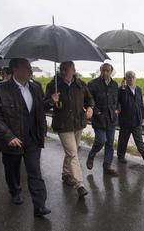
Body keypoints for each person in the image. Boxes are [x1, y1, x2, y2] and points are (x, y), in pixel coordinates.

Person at [0, 58, 50, 217]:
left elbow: (40, 111)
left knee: (35, 171)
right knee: (12, 170)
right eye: (27, 67)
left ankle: (39, 205)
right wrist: (8, 136)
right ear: (15, 69)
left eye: (30, 67)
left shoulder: (36, 87)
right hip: (12, 140)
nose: (30, 70)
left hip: (33, 139)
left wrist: (42, 131)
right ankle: (15, 190)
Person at [44, 61, 94, 198]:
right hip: (63, 125)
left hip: (78, 123)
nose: (66, 72)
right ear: (61, 70)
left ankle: (66, 174)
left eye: (69, 69)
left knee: (72, 151)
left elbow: (90, 100)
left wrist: (90, 108)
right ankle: (80, 184)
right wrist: (51, 101)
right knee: (72, 153)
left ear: (73, 70)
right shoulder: (53, 85)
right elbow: (43, 105)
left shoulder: (81, 84)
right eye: (63, 69)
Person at [86, 62, 119, 176]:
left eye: (107, 71)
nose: (105, 73)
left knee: (109, 144)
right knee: (101, 140)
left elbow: (118, 101)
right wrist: (97, 113)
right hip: (99, 118)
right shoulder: (93, 84)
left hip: (112, 119)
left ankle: (107, 166)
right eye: (103, 70)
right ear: (100, 71)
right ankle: (92, 154)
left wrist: (118, 109)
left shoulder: (115, 85)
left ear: (111, 72)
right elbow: (89, 101)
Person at [117, 71, 144, 166]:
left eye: (133, 77)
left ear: (135, 78)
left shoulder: (138, 89)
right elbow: (124, 102)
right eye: (129, 77)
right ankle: (120, 156)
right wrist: (123, 88)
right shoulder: (122, 90)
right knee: (123, 140)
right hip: (126, 121)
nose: (131, 79)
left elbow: (141, 104)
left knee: (139, 141)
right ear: (125, 79)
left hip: (137, 120)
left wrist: (142, 116)